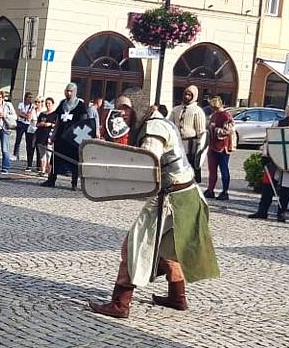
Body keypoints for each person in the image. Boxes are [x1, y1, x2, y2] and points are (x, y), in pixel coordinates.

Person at [89, 88, 220, 319]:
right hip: (187, 194)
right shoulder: (162, 121)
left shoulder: (153, 128)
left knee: (133, 245)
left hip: (170, 198)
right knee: (168, 248)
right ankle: (177, 297)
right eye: (120, 108)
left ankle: (120, 303)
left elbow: (147, 164)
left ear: (139, 106)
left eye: (126, 108)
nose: (122, 113)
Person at [250, 103, 289, 223]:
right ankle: (262, 211)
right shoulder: (278, 124)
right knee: (268, 187)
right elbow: (269, 141)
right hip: (274, 160)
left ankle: (281, 213)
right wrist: (265, 156)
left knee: (286, 189)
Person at [41, 83, 89, 191]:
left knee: (73, 161)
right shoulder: (62, 103)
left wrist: (81, 138)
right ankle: (51, 180)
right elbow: (58, 121)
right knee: (55, 159)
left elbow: (84, 122)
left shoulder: (80, 105)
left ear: (75, 92)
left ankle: (74, 183)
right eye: (67, 91)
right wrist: (53, 135)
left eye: (70, 91)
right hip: (60, 137)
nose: (68, 93)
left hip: (73, 138)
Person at [169, 85, 207, 183]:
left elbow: (201, 131)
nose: (187, 96)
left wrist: (199, 146)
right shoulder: (176, 109)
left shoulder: (197, 111)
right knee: (177, 163)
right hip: (177, 141)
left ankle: (192, 183)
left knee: (191, 165)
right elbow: (170, 125)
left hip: (191, 143)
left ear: (194, 96)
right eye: (186, 94)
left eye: (189, 95)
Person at [204, 96, 234, 200]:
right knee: (212, 169)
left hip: (223, 146)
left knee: (224, 169)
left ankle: (225, 191)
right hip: (213, 145)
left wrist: (215, 129)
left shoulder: (226, 116)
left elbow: (228, 131)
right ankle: (210, 189)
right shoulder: (214, 115)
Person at [14, 92, 38, 169]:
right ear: (25, 97)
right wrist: (25, 115)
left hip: (28, 124)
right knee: (18, 139)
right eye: (29, 97)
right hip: (21, 123)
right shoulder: (21, 104)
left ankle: (29, 159)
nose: (30, 99)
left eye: (31, 97)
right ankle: (15, 153)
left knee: (28, 141)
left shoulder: (32, 105)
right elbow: (19, 113)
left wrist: (26, 115)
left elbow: (31, 114)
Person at [34, 97, 56, 176]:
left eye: (49, 103)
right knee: (42, 154)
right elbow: (37, 124)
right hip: (41, 135)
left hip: (50, 136)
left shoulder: (55, 114)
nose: (47, 105)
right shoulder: (42, 114)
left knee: (49, 154)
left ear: (53, 104)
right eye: (46, 103)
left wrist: (50, 124)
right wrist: (41, 124)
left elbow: (57, 125)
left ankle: (49, 170)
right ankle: (43, 170)